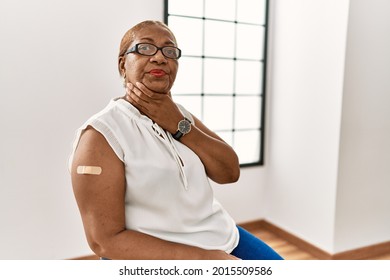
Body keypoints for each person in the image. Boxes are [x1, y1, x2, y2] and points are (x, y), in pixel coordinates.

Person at [69, 20, 283, 260]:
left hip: (222, 237)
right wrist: (206, 259)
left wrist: (179, 125)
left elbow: (229, 172)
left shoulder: (180, 114)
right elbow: (105, 242)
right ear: (122, 65)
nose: (160, 58)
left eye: (170, 51)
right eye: (145, 48)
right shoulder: (100, 135)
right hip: (156, 256)